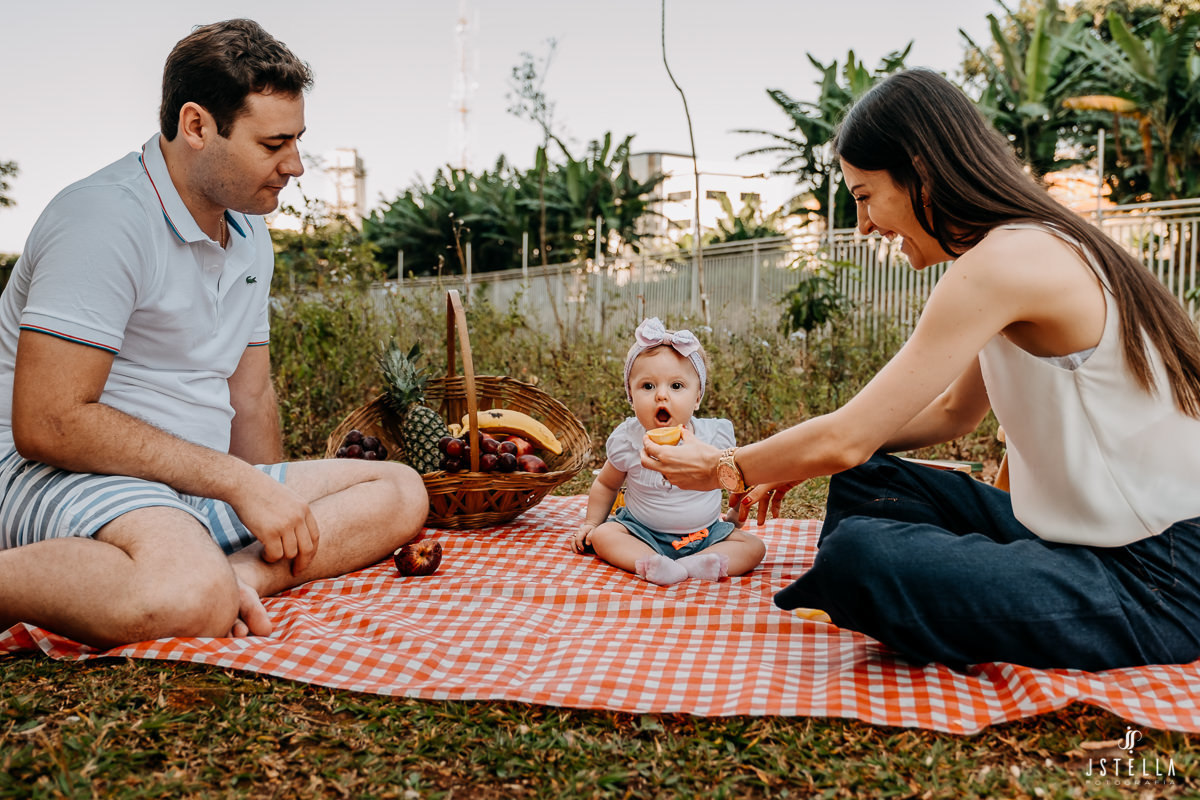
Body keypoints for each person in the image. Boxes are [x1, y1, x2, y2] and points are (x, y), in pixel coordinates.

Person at [643, 68, 1200, 671]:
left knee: (862, 557)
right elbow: (953, 413)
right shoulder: (1026, 245)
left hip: (1160, 580)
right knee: (865, 480)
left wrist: (727, 467)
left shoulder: (1005, 261)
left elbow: (846, 436)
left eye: (863, 197)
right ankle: (934, 591)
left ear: (921, 173)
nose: (863, 225)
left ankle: (894, 590)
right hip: (1081, 542)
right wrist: (800, 453)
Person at [0, 19, 428, 649]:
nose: (296, 166)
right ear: (197, 126)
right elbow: (49, 423)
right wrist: (237, 485)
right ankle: (190, 584)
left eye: (298, 140)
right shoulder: (103, 219)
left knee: (398, 490)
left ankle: (231, 577)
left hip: (192, 486)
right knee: (185, 599)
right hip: (61, 473)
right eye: (274, 143)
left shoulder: (251, 234)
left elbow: (249, 398)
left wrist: (263, 503)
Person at [571, 318, 765, 585]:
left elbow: (736, 477)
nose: (661, 396)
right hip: (641, 532)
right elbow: (606, 484)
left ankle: (693, 563)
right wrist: (592, 523)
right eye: (648, 386)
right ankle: (652, 562)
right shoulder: (629, 439)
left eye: (676, 386)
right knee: (604, 536)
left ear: (697, 397)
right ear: (631, 395)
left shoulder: (713, 437)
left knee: (753, 547)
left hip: (704, 534)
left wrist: (734, 514)